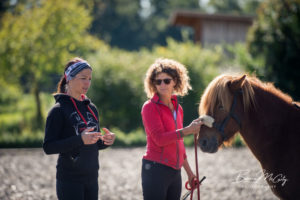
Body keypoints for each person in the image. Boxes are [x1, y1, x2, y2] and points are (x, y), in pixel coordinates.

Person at [43, 57, 115, 200]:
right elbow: (48, 147)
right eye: (83, 78)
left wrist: (106, 141)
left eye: (89, 79)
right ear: (69, 78)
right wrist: (80, 139)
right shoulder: (58, 110)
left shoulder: (92, 108)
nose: (87, 82)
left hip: (92, 179)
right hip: (69, 180)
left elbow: (94, 143)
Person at [141, 58, 203, 200]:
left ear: (175, 81)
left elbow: (178, 144)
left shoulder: (178, 108)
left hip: (175, 172)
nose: (162, 84)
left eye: (167, 80)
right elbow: (160, 139)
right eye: (158, 81)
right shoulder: (149, 107)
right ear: (153, 84)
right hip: (155, 170)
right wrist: (187, 130)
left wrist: (189, 172)